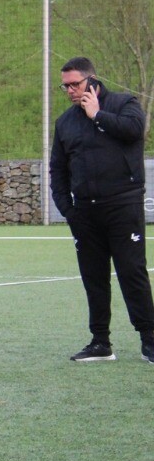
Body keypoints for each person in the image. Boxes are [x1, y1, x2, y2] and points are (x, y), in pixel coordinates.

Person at [49, 56, 153, 363]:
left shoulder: (124, 103)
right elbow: (58, 169)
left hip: (123, 206)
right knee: (93, 277)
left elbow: (135, 131)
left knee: (131, 273)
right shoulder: (65, 122)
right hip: (85, 214)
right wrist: (68, 210)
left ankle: (149, 339)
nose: (69, 90)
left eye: (74, 84)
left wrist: (97, 116)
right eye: (64, 86)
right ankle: (100, 342)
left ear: (92, 80)